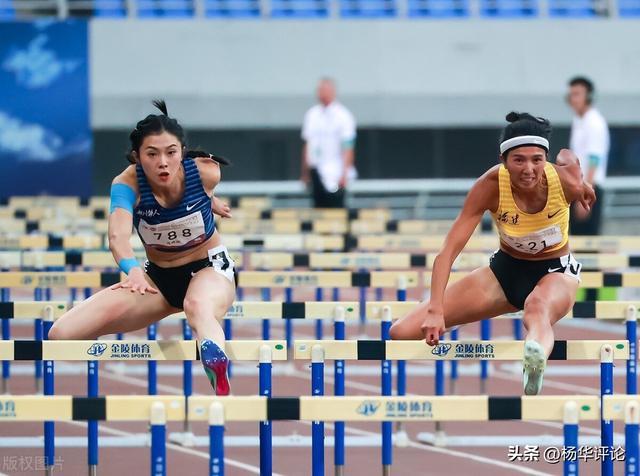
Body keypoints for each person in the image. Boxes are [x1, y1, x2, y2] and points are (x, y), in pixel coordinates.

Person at [390, 112, 596, 395]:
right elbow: (447, 252)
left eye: (537, 159)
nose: (529, 169)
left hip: (555, 271)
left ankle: (534, 358)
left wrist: (580, 180)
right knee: (401, 333)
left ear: (545, 160)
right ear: (503, 161)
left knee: (537, 309)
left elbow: (568, 156)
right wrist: (436, 311)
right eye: (518, 160)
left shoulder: (563, 181)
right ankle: (454, 321)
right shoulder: (489, 186)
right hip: (504, 272)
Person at [49, 100, 236, 396]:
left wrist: (209, 201)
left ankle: (217, 363)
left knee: (196, 306)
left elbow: (194, 193)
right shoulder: (126, 185)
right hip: (155, 281)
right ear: (137, 157)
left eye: (171, 153)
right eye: (152, 154)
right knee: (61, 334)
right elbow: (118, 237)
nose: (163, 162)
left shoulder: (205, 173)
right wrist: (132, 270)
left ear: (182, 153)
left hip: (208, 269)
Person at [301, 77, 357, 208]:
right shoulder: (312, 114)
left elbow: (348, 146)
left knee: (336, 211)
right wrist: (305, 172)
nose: (320, 93)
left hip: (335, 171)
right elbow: (307, 144)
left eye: (324, 90)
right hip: (316, 170)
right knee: (318, 212)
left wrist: (345, 173)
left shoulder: (343, 116)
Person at [567, 76, 610, 235]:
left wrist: (586, 197)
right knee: (576, 239)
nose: (573, 99)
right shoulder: (579, 121)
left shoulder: (594, 122)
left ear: (589, 96)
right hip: (577, 186)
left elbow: (594, 160)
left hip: (588, 187)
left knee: (588, 241)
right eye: (571, 94)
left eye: (577, 94)